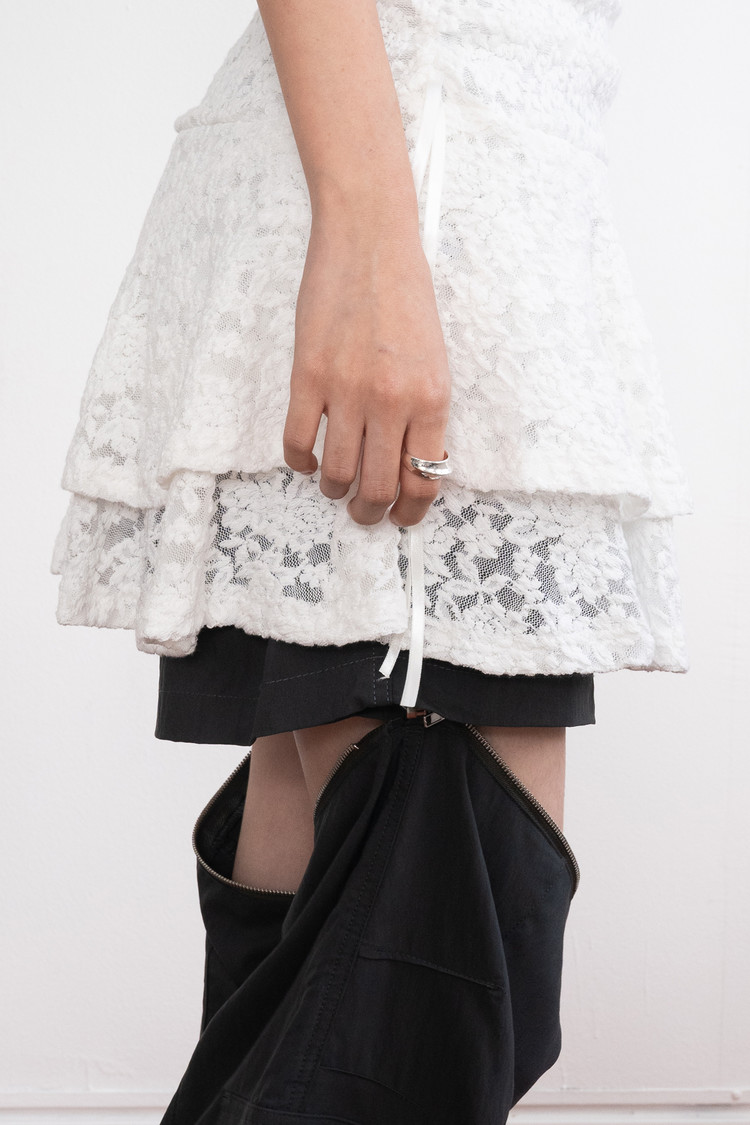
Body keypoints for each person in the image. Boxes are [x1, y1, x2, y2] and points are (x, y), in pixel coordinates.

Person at [50, 0, 693, 1121]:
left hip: (445, 228)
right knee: (439, 957)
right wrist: (371, 255)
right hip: (409, 235)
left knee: (363, 955)